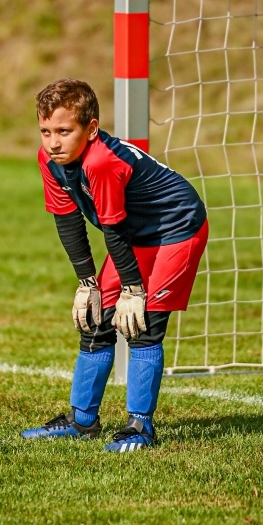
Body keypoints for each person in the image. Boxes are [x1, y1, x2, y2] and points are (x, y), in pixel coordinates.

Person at [22, 78, 208, 452]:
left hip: (175, 228)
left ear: (91, 129)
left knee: (143, 322)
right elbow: (68, 220)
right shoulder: (50, 160)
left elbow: (113, 228)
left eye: (64, 131)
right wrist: (87, 282)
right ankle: (82, 421)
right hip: (132, 233)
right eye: (45, 131)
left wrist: (133, 290)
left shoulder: (102, 162)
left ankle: (140, 427)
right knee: (95, 319)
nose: (53, 142)